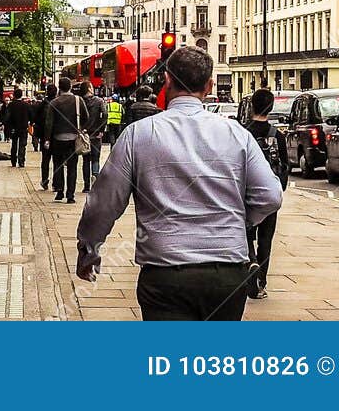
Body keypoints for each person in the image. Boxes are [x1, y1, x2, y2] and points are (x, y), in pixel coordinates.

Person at [76, 44, 282, 321]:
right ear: (209, 86)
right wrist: (238, 221)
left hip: (165, 274)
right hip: (227, 273)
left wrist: (89, 249)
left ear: (167, 80)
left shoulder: (139, 134)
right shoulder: (236, 133)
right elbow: (270, 196)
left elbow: (103, 203)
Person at [244, 88, 289, 298]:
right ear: (271, 108)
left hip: (245, 194)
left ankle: (250, 263)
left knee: (245, 236)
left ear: (252, 105)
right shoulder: (277, 136)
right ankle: (261, 281)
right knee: (266, 239)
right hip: (270, 196)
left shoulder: (242, 133)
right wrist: (280, 189)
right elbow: (285, 167)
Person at [44, 75, 88, 202]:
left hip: (58, 139)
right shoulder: (78, 101)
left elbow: (49, 123)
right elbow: (86, 117)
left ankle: (59, 191)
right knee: (72, 167)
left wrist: (47, 139)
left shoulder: (54, 102)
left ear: (60, 88)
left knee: (58, 165)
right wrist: (81, 128)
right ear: (70, 87)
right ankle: (70, 195)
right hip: (74, 139)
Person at [80, 81, 106, 193]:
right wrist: (101, 129)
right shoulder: (99, 101)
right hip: (96, 134)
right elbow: (105, 114)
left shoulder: (80, 101)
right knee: (95, 158)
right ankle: (95, 177)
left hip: (84, 134)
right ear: (90, 88)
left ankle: (86, 186)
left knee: (86, 160)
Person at [4, 86, 31, 168]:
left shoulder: (11, 105)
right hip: (23, 128)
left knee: (14, 144)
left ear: (14, 95)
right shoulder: (26, 105)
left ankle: (13, 161)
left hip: (14, 128)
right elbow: (31, 116)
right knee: (22, 145)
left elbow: (7, 117)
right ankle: (21, 160)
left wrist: (7, 126)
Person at [36, 83, 57, 186]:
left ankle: (44, 180)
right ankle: (56, 183)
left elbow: (37, 119)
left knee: (45, 160)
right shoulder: (58, 102)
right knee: (57, 160)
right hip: (57, 136)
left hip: (45, 136)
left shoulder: (43, 104)